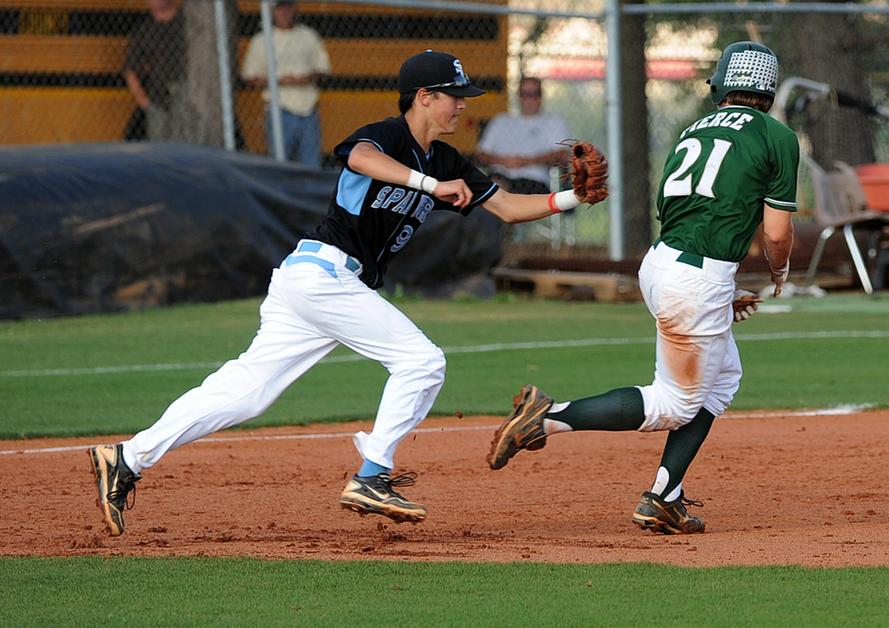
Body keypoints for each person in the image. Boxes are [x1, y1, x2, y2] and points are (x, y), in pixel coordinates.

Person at [87, 50, 605, 536]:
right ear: (423, 96)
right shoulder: (385, 137)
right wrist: (428, 188)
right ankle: (372, 475)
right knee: (421, 362)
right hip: (322, 274)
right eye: (454, 94)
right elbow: (359, 159)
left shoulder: (446, 160)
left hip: (318, 284)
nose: (462, 104)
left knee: (246, 392)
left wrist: (569, 198)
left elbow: (509, 207)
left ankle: (127, 458)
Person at [487, 41, 798, 535]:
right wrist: (776, 274)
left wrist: (716, 288)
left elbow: (692, 211)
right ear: (769, 91)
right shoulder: (776, 136)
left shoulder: (691, 129)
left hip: (664, 264)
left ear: (720, 84)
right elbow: (777, 234)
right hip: (696, 278)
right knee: (674, 404)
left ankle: (664, 497)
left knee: (721, 380)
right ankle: (546, 418)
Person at [241, 0, 331, 168]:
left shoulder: (308, 35)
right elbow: (250, 76)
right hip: (279, 108)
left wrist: (306, 78)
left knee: (311, 164)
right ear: (272, 12)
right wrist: (279, 81)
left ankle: (309, 194)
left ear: (295, 10)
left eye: (288, 8)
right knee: (281, 164)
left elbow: (323, 69)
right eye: (280, 9)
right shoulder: (261, 40)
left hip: (308, 108)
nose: (285, 13)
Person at [474, 77, 572, 194]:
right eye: (525, 94)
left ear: (541, 96)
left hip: (534, 181)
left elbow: (562, 154)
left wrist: (528, 161)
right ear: (518, 96)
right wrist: (502, 161)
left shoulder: (553, 121)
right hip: (500, 177)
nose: (530, 99)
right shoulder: (501, 121)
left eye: (535, 94)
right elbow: (480, 154)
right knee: (495, 185)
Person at [123, 0, 186, 142]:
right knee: (160, 150)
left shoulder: (188, 23)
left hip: (188, 98)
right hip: (159, 101)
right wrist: (144, 101)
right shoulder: (145, 29)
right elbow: (130, 69)